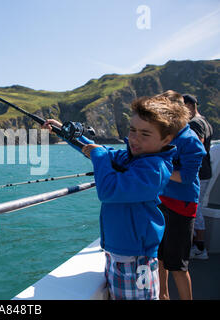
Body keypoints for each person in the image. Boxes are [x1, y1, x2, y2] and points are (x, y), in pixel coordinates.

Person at [42, 94, 190, 300]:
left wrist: (99, 155)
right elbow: (99, 150)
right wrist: (65, 132)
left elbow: (108, 190)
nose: (135, 139)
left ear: (166, 139)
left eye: (145, 134)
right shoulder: (133, 157)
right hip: (119, 253)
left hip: (135, 259)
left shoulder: (154, 168)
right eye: (132, 130)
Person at [155, 91, 206, 300]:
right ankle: (163, 296)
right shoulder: (165, 136)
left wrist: (158, 168)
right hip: (161, 201)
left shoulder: (191, 141)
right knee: (159, 258)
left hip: (181, 206)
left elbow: (186, 176)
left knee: (178, 265)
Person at [183, 94, 213, 260]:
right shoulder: (206, 121)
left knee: (196, 208)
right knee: (197, 206)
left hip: (199, 173)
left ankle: (200, 247)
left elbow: (197, 145)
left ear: (189, 105)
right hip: (206, 171)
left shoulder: (195, 123)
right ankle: (197, 243)